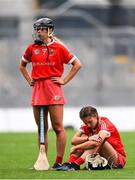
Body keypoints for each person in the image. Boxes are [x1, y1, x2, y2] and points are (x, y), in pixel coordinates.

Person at [19, 17, 82, 169]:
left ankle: (58, 162)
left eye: (42, 29)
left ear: (50, 31)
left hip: (53, 89)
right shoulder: (31, 48)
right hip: (38, 89)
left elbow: (77, 64)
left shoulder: (59, 48)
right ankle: (42, 162)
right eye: (37, 29)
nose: (39, 32)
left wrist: (64, 80)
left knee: (58, 127)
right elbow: (22, 66)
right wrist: (29, 80)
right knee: (41, 128)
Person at [57, 106, 126, 171]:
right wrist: (88, 138)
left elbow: (96, 143)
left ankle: (76, 164)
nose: (88, 125)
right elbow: (74, 140)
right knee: (84, 136)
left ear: (96, 116)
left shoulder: (105, 124)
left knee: (98, 141)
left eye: (90, 122)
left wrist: (76, 147)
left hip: (117, 161)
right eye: (85, 122)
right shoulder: (87, 124)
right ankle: (70, 163)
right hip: (102, 158)